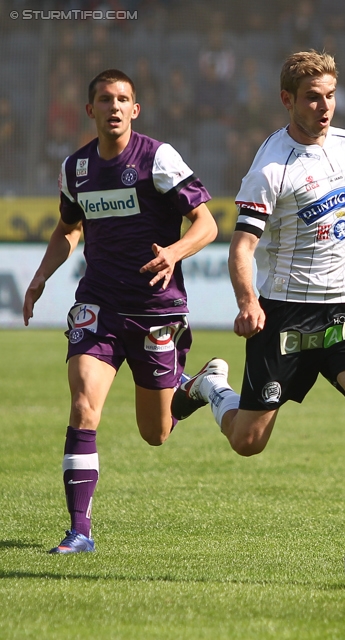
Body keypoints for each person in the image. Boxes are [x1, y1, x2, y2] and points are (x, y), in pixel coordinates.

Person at [172, 50, 345, 567]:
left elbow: (339, 205)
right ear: (288, 100)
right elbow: (242, 247)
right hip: (287, 317)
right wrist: (247, 302)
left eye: (331, 95)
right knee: (248, 442)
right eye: (313, 98)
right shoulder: (270, 167)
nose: (324, 106)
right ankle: (209, 386)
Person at [23, 69, 217, 554]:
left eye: (123, 99)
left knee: (155, 433)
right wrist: (41, 276)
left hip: (155, 308)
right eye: (105, 99)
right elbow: (69, 229)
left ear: (135, 110)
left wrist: (174, 252)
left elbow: (208, 224)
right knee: (84, 406)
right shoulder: (76, 169)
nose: (114, 107)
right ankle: (79, 531)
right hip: (99, 304)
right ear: (90, 110)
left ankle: (192, 390)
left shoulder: (158, 158)